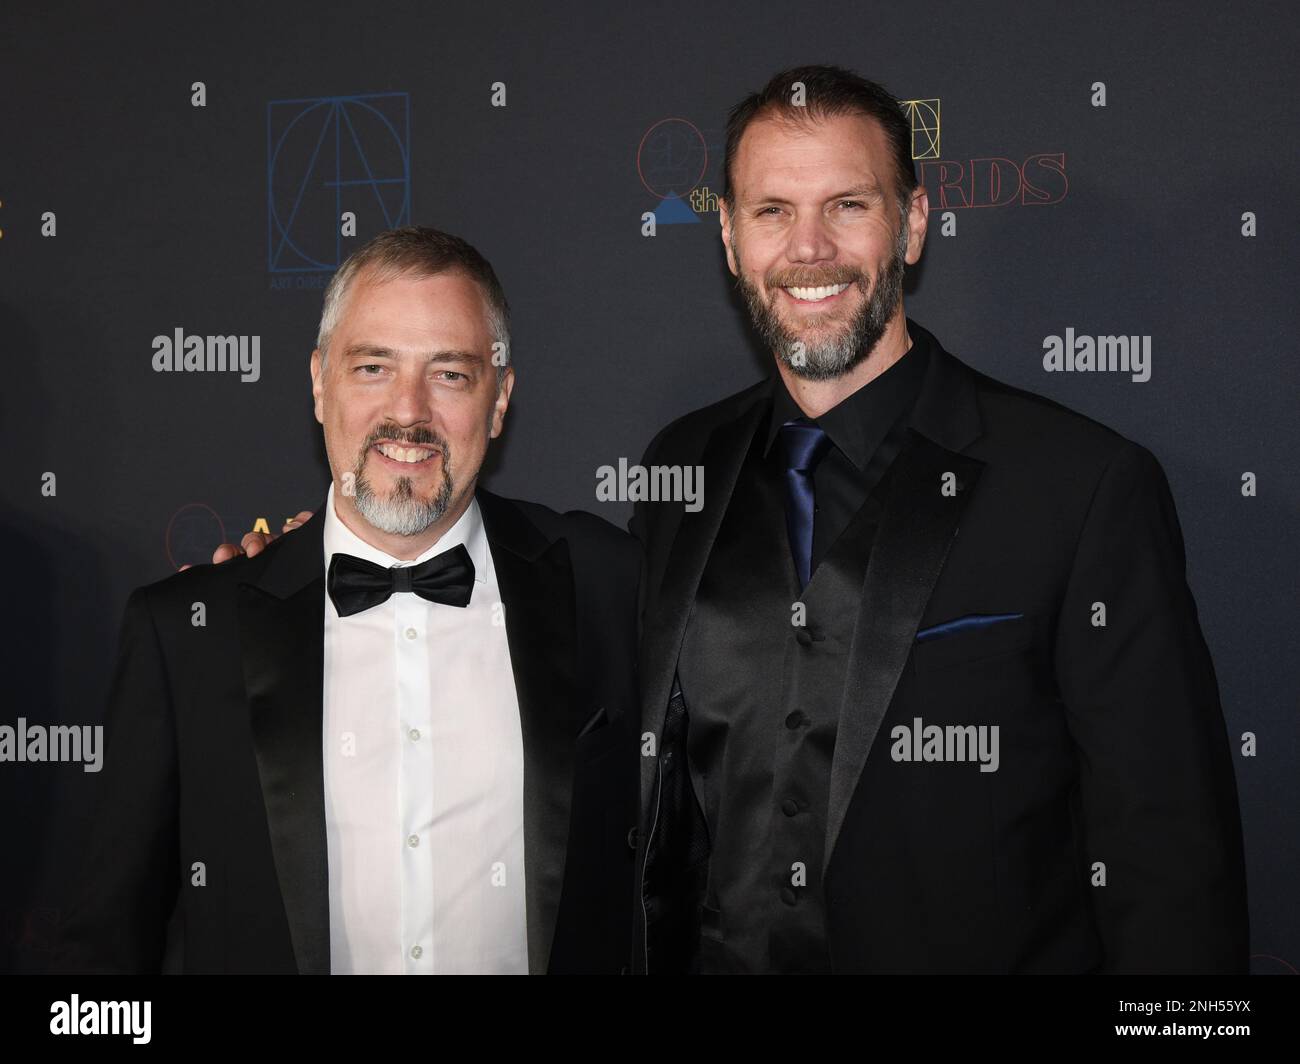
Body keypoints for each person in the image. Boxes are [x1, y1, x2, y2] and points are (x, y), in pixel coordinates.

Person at [630, 65, 1248, 974]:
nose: (809, 248)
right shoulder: (681, 466)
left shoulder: (1081, 486)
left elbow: (1170, 859)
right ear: (727, 236)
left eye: (847, 205)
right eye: (771, 211)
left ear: (913, 223)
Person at [55, 227, 640, 974]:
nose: (408, 411)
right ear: (318, 384)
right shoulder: (189, 636)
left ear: (500, 402)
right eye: (372, 367)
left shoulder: (610, 586)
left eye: (451, 374)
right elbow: (102, 952)